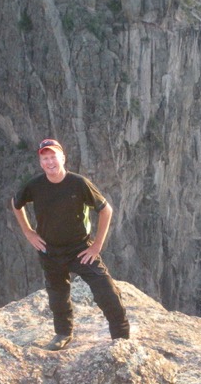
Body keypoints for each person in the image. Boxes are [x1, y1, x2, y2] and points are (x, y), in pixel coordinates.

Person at [11, 138, 130, 350]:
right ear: (40, 162)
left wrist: (96, 246)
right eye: (45, 158)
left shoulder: (79, 183)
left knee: (106, 290)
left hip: (80, 249)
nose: (49, 162)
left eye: (53, 157)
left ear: (62, 158)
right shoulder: (35, 186)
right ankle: (63, 333)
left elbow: (106, 210)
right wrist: (28, 233)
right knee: (58, 294)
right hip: (50, 250)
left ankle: (121, 336)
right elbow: (16, 203)